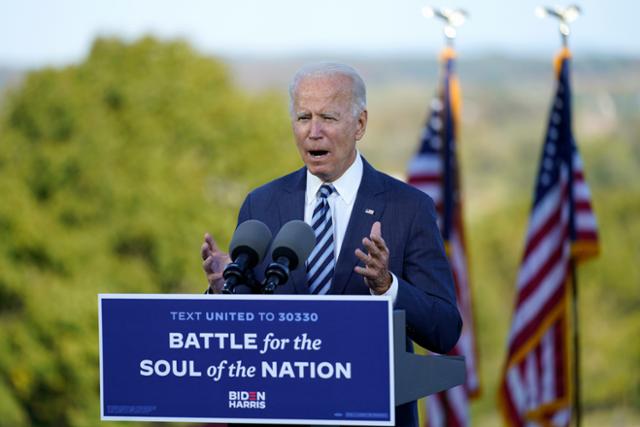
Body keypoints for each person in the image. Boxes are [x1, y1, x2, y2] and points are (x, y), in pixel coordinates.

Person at [201, 62, 462, 427]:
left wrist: (388, 289)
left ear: (360, 124)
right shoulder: (261, 204)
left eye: (328, 117)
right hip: (280, 415)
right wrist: (221, 291)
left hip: (371, 414)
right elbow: (246, 324)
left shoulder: (408, 207)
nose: (313, 132)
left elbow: (445, 329)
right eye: (303, 117)